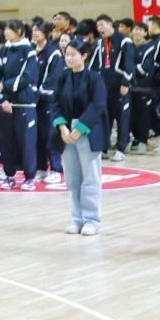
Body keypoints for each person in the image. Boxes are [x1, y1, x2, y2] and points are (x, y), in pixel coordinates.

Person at [50, 41, 107, 237]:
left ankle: (91, 220)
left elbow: (98, 105)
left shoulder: (95, 78)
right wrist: (62, 127)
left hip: (87, 131)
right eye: (67, 54)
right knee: (73, 179)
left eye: (73, 54)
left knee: (90, 178)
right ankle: (77, 218)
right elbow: (55, 104)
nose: (69, 58)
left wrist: (80, 129)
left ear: (84, 56)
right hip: (66, 132)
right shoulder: (62, 77)